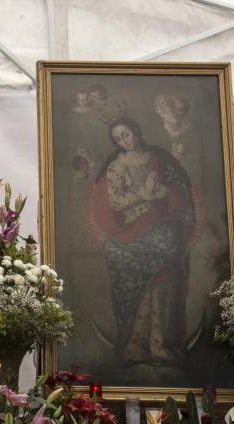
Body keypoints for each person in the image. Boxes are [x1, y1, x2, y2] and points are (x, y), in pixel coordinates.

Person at [88, 117, 198, 367]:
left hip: (162, 228)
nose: (123, 141)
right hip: (130, 233)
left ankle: (159, 344)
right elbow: (114, 203)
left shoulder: (159, 158)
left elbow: (179, 187)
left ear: (136, 132)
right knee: (143, 287)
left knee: (164, 280)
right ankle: (137, 346)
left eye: (126, 134)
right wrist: (144, 194)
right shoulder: (116, 167)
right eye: (118, 138)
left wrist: (163, 193)